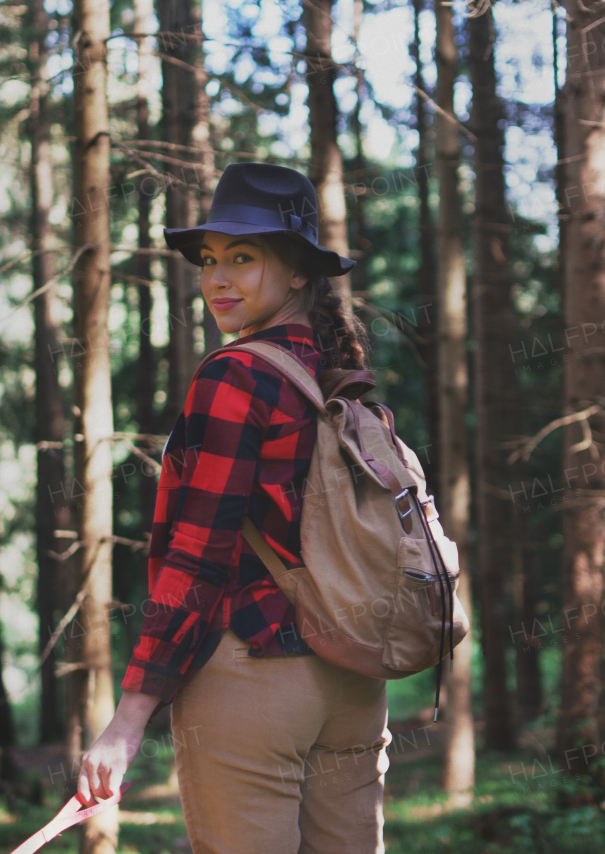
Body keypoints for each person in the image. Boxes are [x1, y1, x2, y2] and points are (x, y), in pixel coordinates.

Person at [74, 162, 391, 853]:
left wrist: (129, 720)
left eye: (242, 258)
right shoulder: (342, 380)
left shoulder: (234, 375)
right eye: (210, 260)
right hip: (354, 680)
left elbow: (198, 553)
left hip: (253, 675)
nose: (216, 278)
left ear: (300, 271)